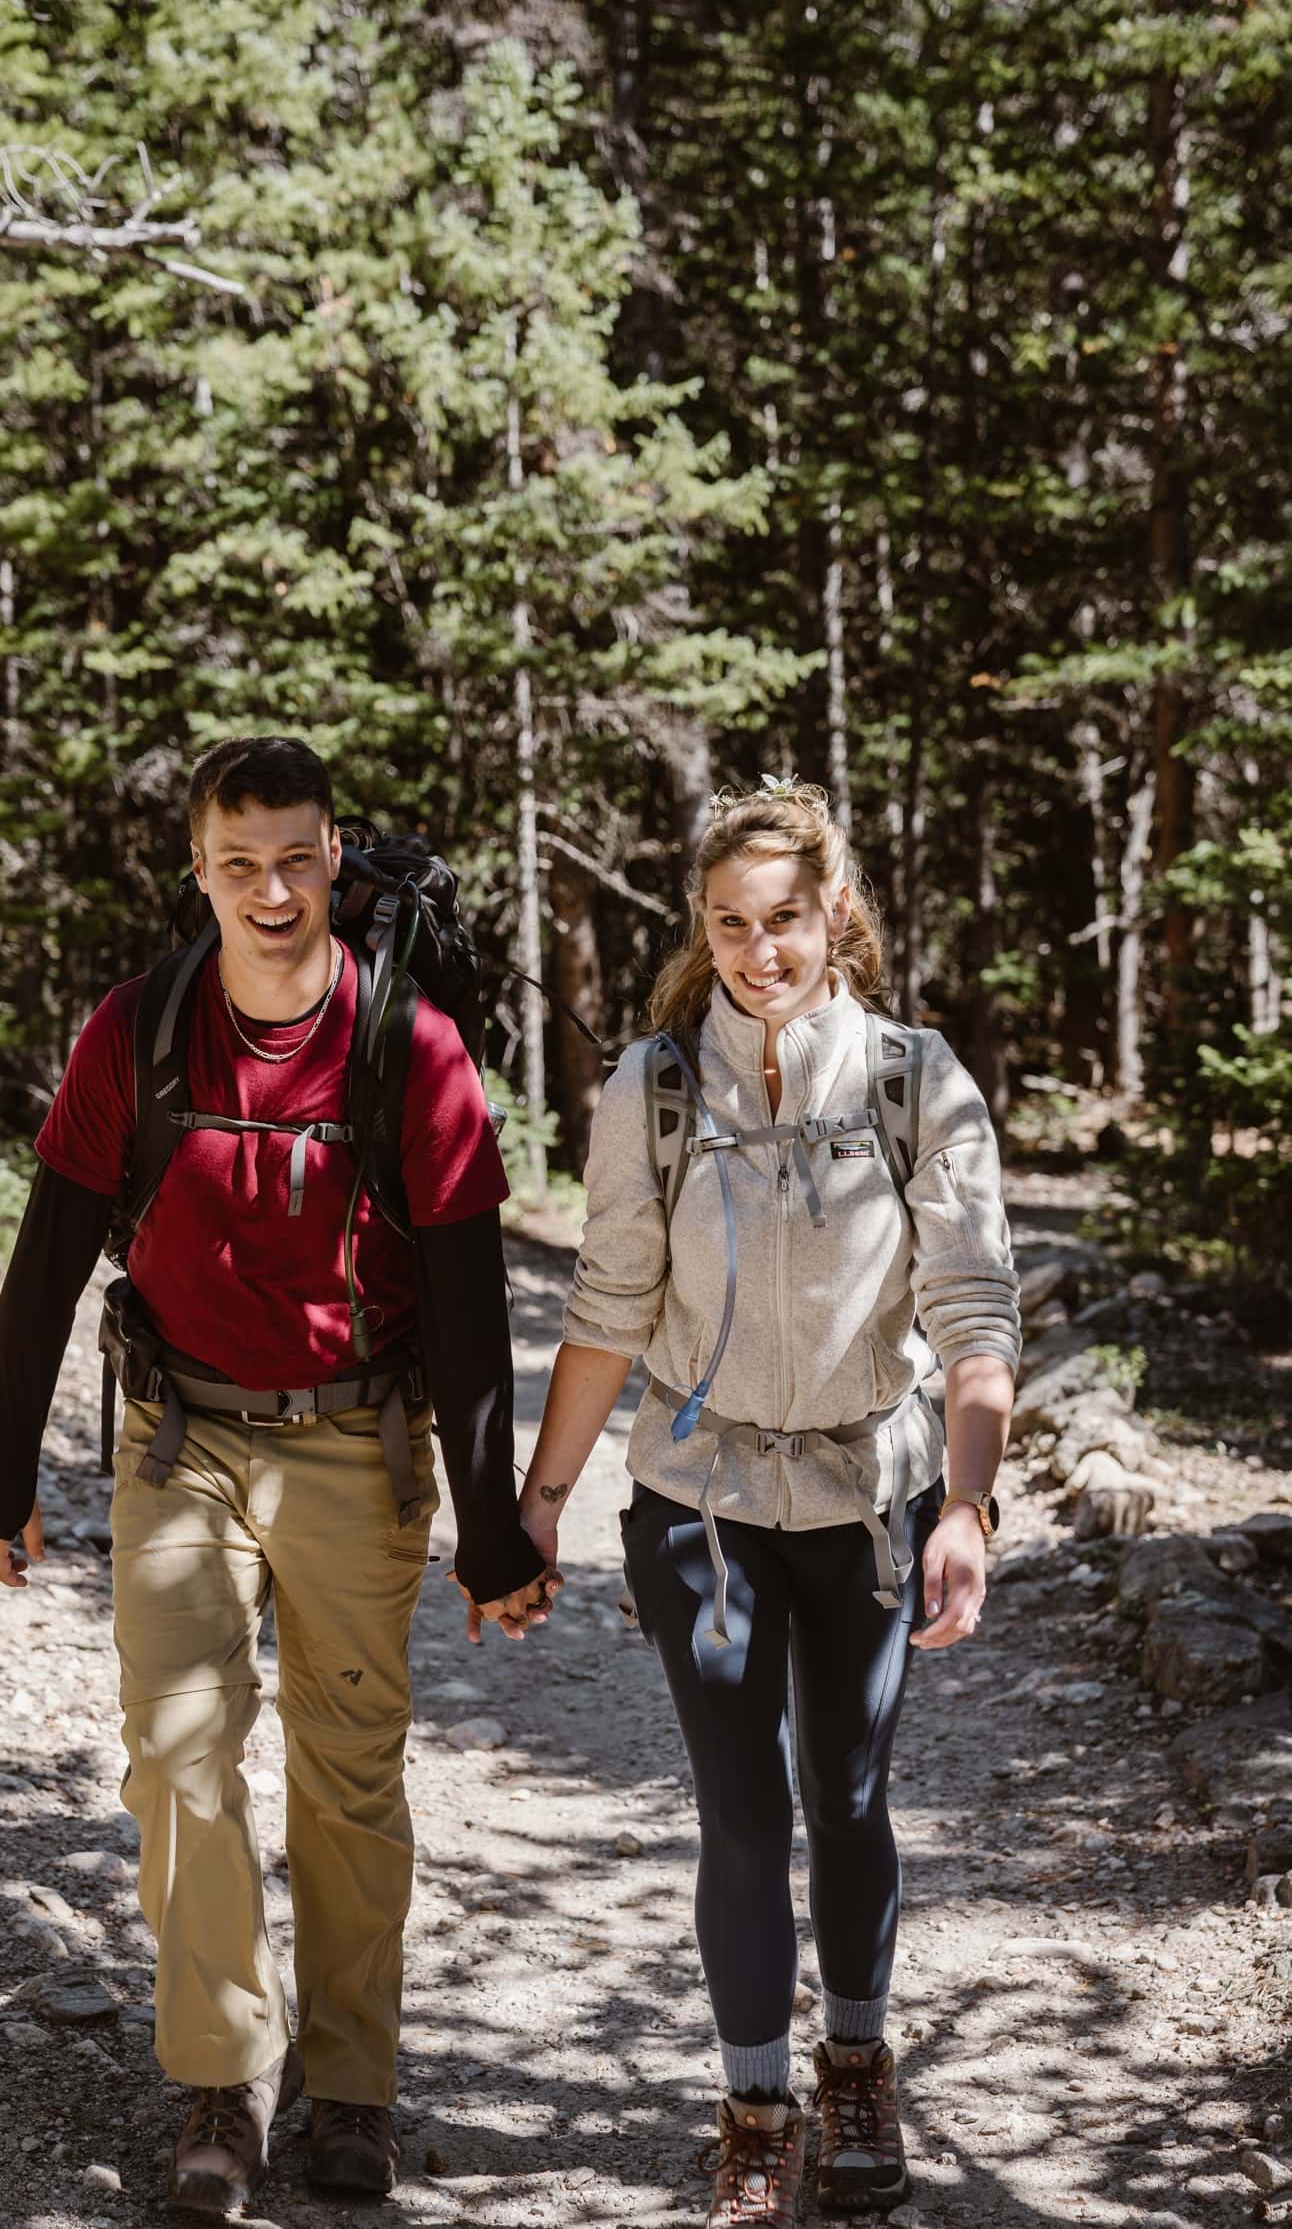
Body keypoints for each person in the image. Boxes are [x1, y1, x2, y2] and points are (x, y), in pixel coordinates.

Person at [0, 736, 552, 2214]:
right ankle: (221, 2077)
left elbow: (474, 1298)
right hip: (181, 1437)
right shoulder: (140, 1027)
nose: (272, 889)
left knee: (348, 1773)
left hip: (358, 1436)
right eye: (240, 864)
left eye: (297, 858)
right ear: (202, 871)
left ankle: (350, 2087)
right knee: (177, 1753)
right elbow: (50, 1248)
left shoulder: (409, 1047)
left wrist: (495, 1529)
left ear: (335, 857)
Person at [517, 780, 1020, 2224]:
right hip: (702, 1502)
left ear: (836, 913)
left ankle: (856, 2060)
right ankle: (754, 2106)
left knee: (847, 1794)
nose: (759, 950)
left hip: (874, 1493)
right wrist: (545, 1495)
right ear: (704, 925)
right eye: (731, 923)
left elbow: (976, 1314)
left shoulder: (920, 1080)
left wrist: (968, 1508)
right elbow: (608, 1303)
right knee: (741, 1811)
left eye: (786, 919)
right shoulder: (655, 1087)